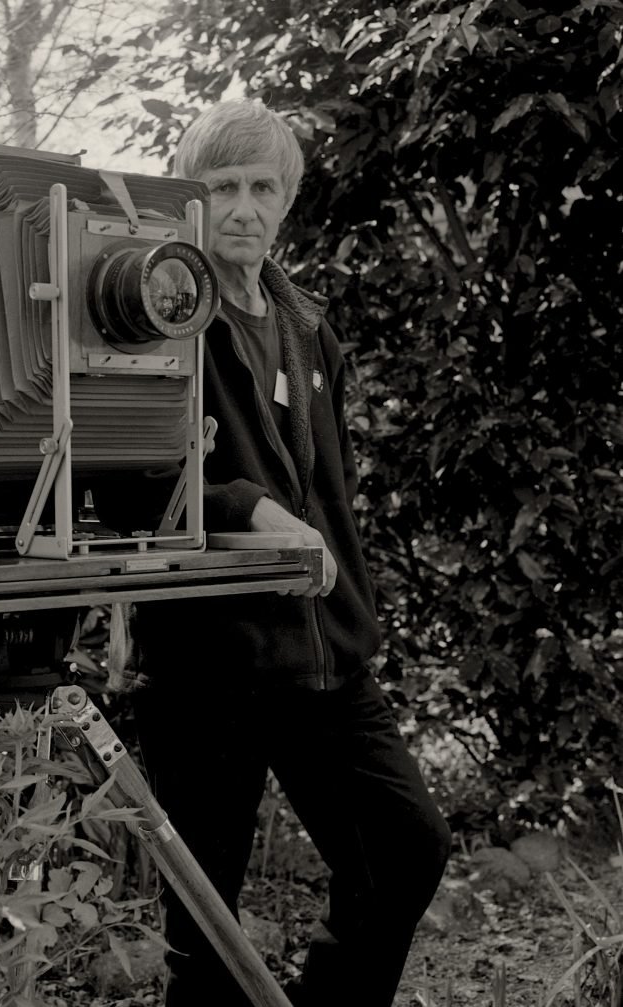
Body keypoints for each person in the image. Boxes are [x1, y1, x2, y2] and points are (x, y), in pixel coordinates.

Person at [117, 100, 452, 1007]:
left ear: (287, 200)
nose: (242, 207)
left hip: (324, 652)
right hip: (207, 662)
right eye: (222, 186)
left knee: (406, 844)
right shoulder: (162, 313)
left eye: (262, 187)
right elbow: (125, 480)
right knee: (209, 931)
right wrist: (246, 506)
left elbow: (326, 488)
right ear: (191, 198)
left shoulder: (308, 326)